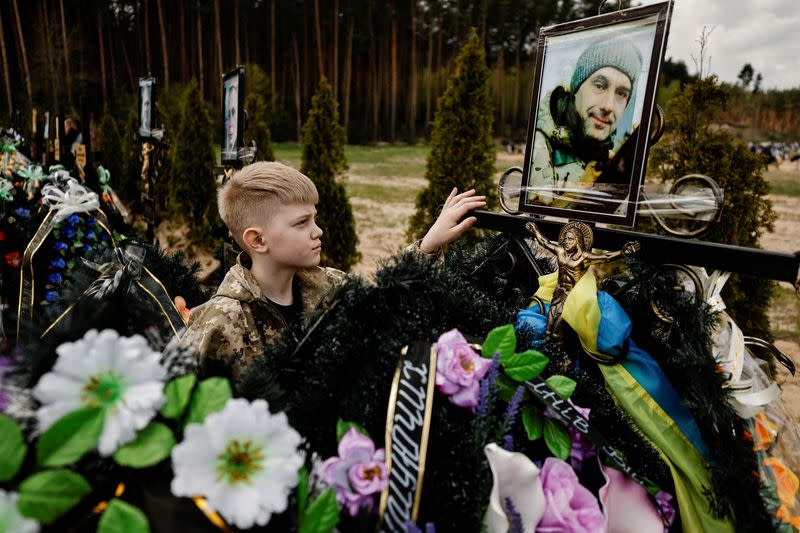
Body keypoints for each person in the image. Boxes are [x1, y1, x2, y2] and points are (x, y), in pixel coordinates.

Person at [183, 162, 485, 388]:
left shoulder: (328, 286)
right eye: (301, 223)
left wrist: (429, 244)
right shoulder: (220, 324)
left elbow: (382, 298)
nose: (318, 231)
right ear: (258, 240)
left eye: (314, 218)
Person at [528, 36, 642, 209]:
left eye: (622, 94)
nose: (608, 106)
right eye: (599, 85)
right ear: (576, 88)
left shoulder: (619, 164)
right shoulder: (536, 148)